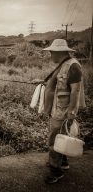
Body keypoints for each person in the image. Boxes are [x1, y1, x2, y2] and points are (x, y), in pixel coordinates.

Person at [34, 39, 86, 184]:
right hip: (57, 108)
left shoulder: (74, 66)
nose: (50, 54)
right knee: (61, 135)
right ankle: (62, 162)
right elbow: (56, 84)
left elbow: (76, 91)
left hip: (64, 110)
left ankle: (55, 171)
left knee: (54, 138)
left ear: (60, 52)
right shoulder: (62, 65)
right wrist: (42, 81)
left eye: (52, 52)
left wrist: (72, 112)